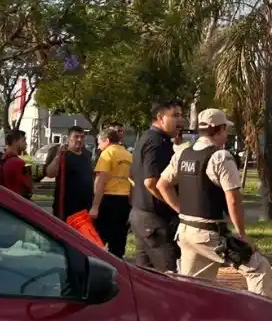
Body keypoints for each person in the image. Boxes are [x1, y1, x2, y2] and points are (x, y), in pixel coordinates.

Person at [156, 108, 272, 295]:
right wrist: (242, 235)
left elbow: (162, 185)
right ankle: (257, 320)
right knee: (259, 269)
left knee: (194, 288)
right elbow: (233, 199)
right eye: (226, 129)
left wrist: (181, 210)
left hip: (186, 231)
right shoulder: (220, 157)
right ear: (221, 129)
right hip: (209, 234)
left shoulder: (184, 153)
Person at [130, 99, 184, 271]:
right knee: (170, 275)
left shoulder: (147, 138)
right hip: (155, 223)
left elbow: (132, 176)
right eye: (175, 115)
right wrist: (177, 207)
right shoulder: (156, 141)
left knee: (145, 278)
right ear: (160, 118)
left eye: (181, 115)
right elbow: (151, 182)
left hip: (141, 218)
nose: (180, 120)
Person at [91, 128, 133, 258]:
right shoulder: (128, 154)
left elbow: (101, 181)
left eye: (99, 143)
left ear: (107, 141)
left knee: (100, 239)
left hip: (108, 200)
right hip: (125, 201)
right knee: (119, 239)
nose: (98, 146)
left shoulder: (107, 154)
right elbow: (133, 181)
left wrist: (95, 207)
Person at [46, 126, 94, 222]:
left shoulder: (87, 154)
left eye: (82, 137)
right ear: (68, 138)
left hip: (86, 207)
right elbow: (50, 173)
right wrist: (58, 155)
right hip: (67, 207)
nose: (79, 139)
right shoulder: (61, 154)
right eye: (76, 137)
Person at [0, 129, 34, 199]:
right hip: (18, 202)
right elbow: (28, 186)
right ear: (14, 142)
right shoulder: (18, 162)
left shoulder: (3, 158)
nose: (26, 143)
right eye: (23, 140)